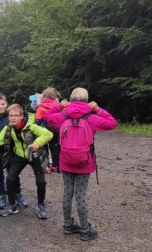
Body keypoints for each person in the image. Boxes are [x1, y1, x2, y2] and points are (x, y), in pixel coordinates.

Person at [43, 87, 117, 241]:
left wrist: (59, 106)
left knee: (67, 192)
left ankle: (68, 225)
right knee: (81, 194)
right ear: (86, 100)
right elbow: (112, 123)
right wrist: (97, 109)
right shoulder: (90, 117)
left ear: (70, 99)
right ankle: (85, 229)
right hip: (85, 161)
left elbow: (47, 116)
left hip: (65, 160)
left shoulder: (63, 115)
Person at [0, 104, 53, 219]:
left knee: (41, 182)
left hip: (34, 155)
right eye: (11, 116)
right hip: (20, 155)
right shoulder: (8, 127)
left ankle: (41, 205)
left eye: (16, 115)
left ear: (21, 116)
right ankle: (12, 205)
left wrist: (37, 143)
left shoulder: (31, 126)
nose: (13, 118)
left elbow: (48, 134)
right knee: (10, 178)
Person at [35, 87, 61, 173]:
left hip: (44, 131)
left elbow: (38, 121)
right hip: (55, 130)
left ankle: (46, 167)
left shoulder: (40, 107)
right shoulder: (58, 106)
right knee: (55, 148)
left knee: (44, 148)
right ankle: (55, 166)